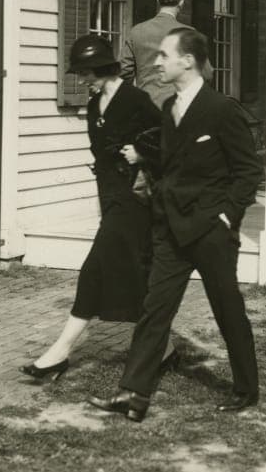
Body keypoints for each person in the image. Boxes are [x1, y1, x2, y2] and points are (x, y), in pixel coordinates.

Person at [87, 28, 262, 422]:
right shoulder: (168, 110)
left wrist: (227, 216)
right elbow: (170, 163)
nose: (156, 62)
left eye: (164, 55)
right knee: (154, 310)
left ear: (187, 60)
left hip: (210, 232)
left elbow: (249, 171)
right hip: (171, 230)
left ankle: (246, 389)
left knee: (227, 308)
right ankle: (134, 394)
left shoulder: (222, 109)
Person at [21, 34, 175, 380]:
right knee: (133, 275)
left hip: (135, 201)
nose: (83, 78)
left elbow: (170, 142)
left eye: (87, 72)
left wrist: (142, 152)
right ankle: (165, 350)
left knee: (94, 270)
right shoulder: (93, 106)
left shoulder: (135, 99)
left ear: (102, 67)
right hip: (111, 198)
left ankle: (59, 353)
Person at [120, 0, 211, 108]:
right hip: (179, 107)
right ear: (181, 3)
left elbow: (124, 72)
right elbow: (207, 73)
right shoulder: (188, 33)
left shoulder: (136, 31)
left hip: (146, 107)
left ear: (158, 0)